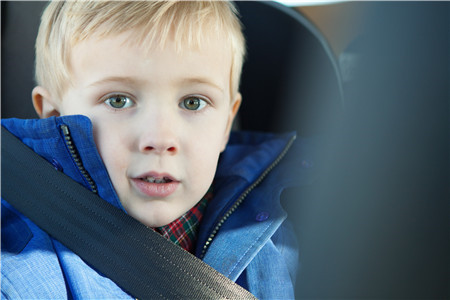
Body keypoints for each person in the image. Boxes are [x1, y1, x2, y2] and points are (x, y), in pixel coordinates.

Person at [2, 1, 313, 298]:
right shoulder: (23, 260)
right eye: (118, 100)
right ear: (56, 118)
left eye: (193, 102)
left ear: (226, 125)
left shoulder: (286, 222)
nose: (161, 138)